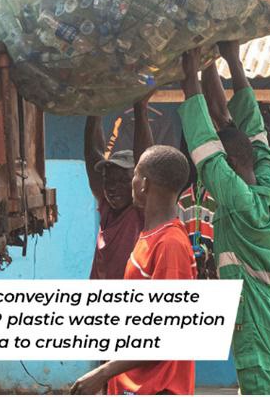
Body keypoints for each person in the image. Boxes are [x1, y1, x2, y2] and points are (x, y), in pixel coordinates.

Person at [179, 42, 270, 395]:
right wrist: (229, 60)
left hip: (261, 323)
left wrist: (188, 74)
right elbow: (252, 128)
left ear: (231, 165)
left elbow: (204, 146)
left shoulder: (236, 199)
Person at [71, 143, 196, 395]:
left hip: (159, 388)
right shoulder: (150, 236)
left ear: (144, 184)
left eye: (135, 174)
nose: (131, 182)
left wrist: (102, 373)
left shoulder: (170, 244)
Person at [85, 95, 155, 280]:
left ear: (137, 182)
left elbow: (145, 162)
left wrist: (140, 108)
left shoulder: (140, 212)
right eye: (109, 180)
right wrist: (95, 110)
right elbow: (93, 154)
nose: (112, 188)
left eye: (122, 180)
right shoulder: (107, 208)